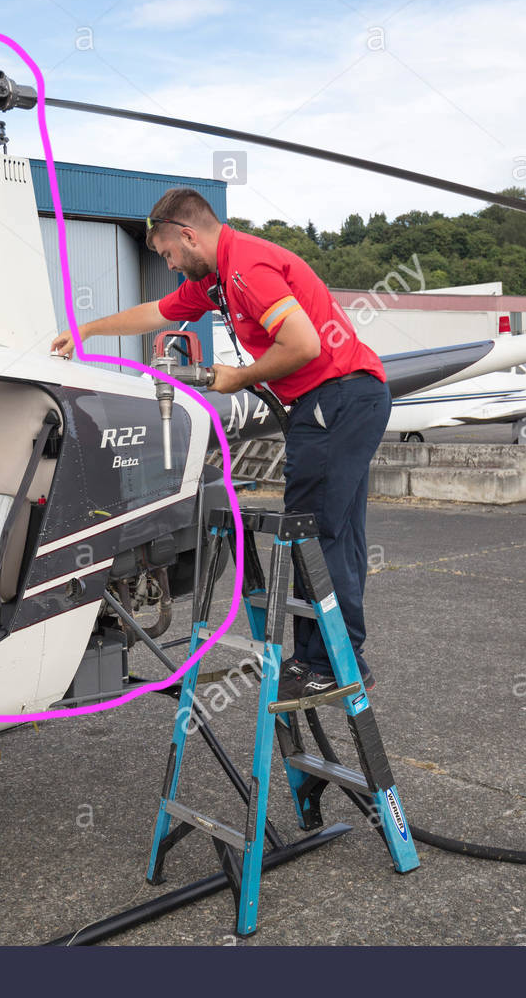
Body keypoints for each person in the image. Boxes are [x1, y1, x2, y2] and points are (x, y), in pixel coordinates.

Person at [50, 188, 389, 697]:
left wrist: (239, 376)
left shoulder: (244, 268)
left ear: (188, 235)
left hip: (334, 399)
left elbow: (303, 344)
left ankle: (326, 666)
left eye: (167, 254)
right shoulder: (217, 282)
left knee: (312, 533)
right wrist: (88, 331)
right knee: (339, 534)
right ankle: (341, 657)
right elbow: (157, 313)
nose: (170, 265)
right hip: (345, 399)